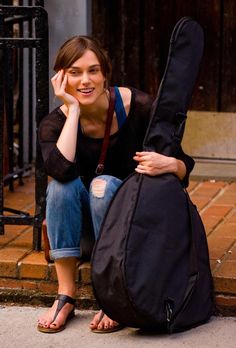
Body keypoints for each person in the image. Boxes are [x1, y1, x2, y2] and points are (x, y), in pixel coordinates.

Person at [37, 35, 194, 334]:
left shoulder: (139, 107)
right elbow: (60, 169)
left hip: (132, 233)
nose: (85, 80)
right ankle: (65, 295)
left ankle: (114, 295)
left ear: (106, 74)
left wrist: (169, 164)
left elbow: (185, 166)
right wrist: (72, 111)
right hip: (81, 236)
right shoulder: (53, 124)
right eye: (75, 72)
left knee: (104, 186)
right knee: (60, 186)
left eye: (93, 70)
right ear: (61, 78)